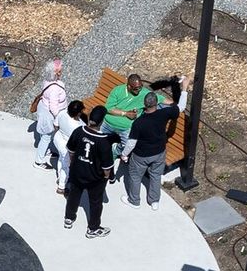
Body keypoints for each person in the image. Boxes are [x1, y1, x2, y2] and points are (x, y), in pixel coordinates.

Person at [62, 103, 119, 238]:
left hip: (77, 172)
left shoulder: (79, 131)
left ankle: (69, 218)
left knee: (73, 196)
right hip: (94, 179)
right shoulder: (104, 142)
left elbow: (71, 151)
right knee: (95, 203)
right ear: (102, 121)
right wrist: (106, 177)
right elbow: (107, 168)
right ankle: (93, 228)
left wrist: (74, 164)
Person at [121, 84, 181, 206]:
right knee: (156, 175)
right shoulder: (164, 113)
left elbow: (131, 142)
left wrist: (124, 154)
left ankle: (134, 201)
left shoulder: (139, 122)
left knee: (135, 176)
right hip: (159, 152)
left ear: (144, 103)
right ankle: (154, 201)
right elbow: (180, 108)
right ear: (156, 103)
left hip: (141, 155)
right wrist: (183, 90)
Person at [33, 59, 70, 168]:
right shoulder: (54, 89)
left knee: (44, 134)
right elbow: (53, 107)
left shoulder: (48, 81)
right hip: (49, 115)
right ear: (56, 73)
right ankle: (38, 161)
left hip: (43, 109)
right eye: (60, 70)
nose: (62, 71)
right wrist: (59, 118)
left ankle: (47, 150)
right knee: (46, 136)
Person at [103, 71, 152, 136]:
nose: (139, 90)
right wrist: (125, 113)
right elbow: (108, 108)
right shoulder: (118, 90)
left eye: (140, 87)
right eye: (136, 88)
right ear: (129, 86)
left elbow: (162, 99)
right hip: (107, 124)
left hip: (126, 129)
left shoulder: (145, 93)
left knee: (131, 143)